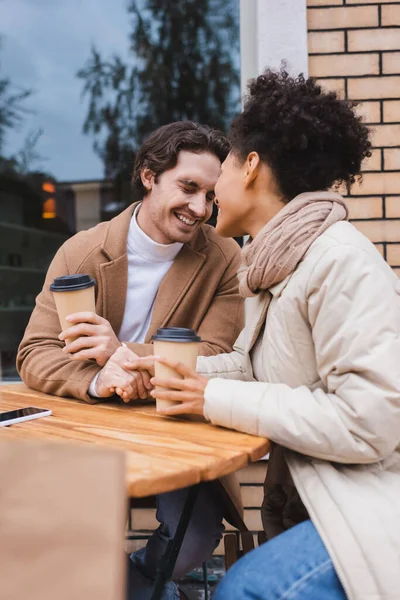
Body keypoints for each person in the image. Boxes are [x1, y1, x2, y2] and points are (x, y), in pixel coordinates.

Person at [128, 71, 400, 599]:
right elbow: (256, 370)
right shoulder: (281, 265)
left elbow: (371, 423)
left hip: (374, 505)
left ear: (250, 166)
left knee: (244, 589)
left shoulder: (338, 260)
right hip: (329, 497)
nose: (207, 203)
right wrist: (170, 371)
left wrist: (212, 396)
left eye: (222, 169)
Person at [17, 121, 244, 600]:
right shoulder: (80, 251)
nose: (200, 208)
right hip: (88, 426)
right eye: (188, 187)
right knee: (78, 540)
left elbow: (220, 354)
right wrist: (101, 378)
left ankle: (140, 584)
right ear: (148, 176)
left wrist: (122, 352)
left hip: (177, 423)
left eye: (210, 195)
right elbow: (35, 352)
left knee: (197, 540)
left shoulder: (226, 258)